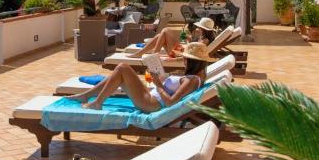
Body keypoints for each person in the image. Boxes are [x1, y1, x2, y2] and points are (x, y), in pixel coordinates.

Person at [70, 41, 215, 112]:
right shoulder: (195, 77)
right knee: (119, 72)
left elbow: (171, 102)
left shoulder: (192, 81)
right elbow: (172, 90)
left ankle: (96, 103)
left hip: (152, 104)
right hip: (151, 97)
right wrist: (161, 75)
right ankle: (87, 95)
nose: (183, 60)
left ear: (192, 61)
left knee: (122, 68)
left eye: (185, 58)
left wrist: (158, 84)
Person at [137, 17, 216, 56]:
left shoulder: (205, 40)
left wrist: (184, 46)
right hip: (181, 51)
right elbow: (194, 48)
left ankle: (153, 55)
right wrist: (189, 39)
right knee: (160, 35)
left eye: (199, 27)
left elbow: (193, 54)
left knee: (165, 30)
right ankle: (142, 53)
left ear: (203, 29)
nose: (198, 28)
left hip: (179, 54)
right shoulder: (204, 38)